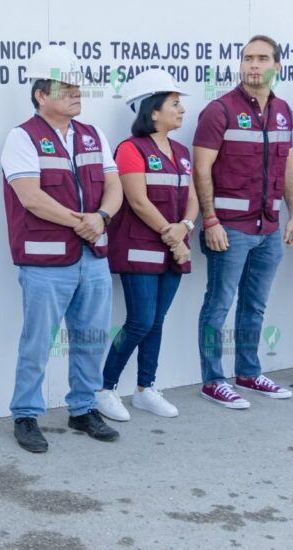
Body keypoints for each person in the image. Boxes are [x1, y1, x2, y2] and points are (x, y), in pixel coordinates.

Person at [1, 45, 124, 452]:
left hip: (92, 259)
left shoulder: (93, 134)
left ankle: (83, 408)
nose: (76, 92)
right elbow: (31, 198)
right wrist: (84, 222)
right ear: (40, 93)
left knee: (90, 337)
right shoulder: (22, 138)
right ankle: (26, 414)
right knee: (38, 341)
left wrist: (102, 218)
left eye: (77, 84)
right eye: (65, 85)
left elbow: (113, 184)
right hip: (45, 261)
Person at [191, 35, 293, 410]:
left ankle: (249, 373)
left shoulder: (283, 110)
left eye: (262, 58)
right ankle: (212, 379)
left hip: (268, 227)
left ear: (277, 66)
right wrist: (210, 220)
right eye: (247, 58)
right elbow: (201, 169)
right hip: (230, 227)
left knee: (254, 305)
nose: (253, 65)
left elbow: (288, 164)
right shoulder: (219, 110)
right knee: (218, 305)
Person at [95, 69, 198, 421]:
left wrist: (184, 227)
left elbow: (194, 196)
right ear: (153, 111)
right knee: (140, 321)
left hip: (174, 248)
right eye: (174, 103)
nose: (182, 109)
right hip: (139, 249)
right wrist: (174, 238)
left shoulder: (182, 151)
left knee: (157, 321)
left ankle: (144, 388)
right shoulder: (129, 149)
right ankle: (105, 389)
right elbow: (137, 201)